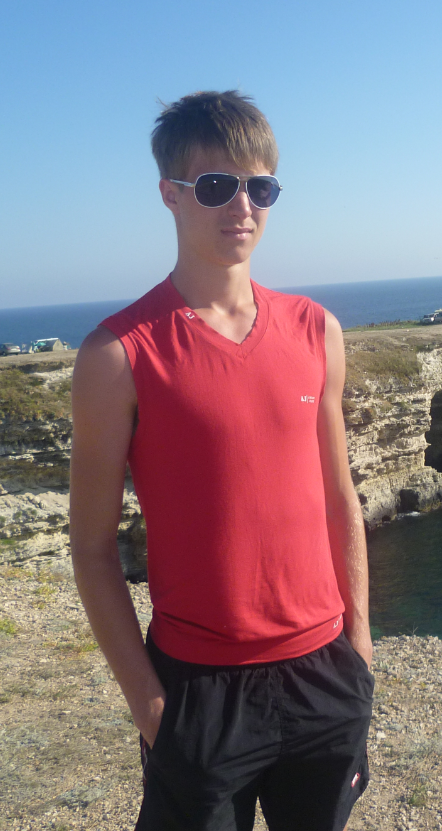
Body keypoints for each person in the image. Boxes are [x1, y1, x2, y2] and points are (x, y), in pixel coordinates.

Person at [69, 90, 373, 831]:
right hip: (198, 690)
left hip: (324, 676)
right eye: (216, 186)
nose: (243, 206)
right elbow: (92, 545)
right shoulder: (117, 354)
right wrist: (151, 707)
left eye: (260, 187)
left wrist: (359, 651)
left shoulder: (317, 330)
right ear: (169, 194)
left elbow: (339, 500)